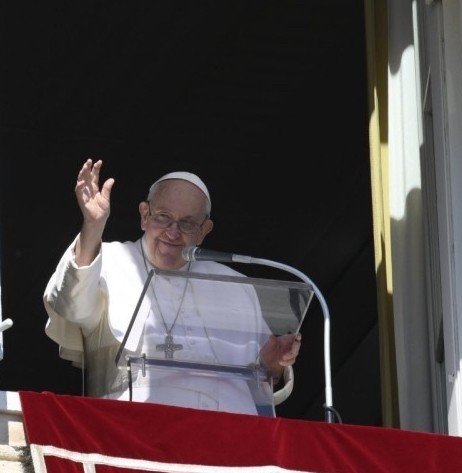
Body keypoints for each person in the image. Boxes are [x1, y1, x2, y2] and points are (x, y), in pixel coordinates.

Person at [43, 159, 302, 414]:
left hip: (233, 430)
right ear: (145, 215)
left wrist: (273, 363)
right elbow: (71, 306)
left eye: (187, 224)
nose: (173, 232)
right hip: (137, 425)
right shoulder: (109, 260)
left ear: (204, 230)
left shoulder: (236, 285)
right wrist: (93, 227)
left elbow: (262, 383)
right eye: (163, 217)